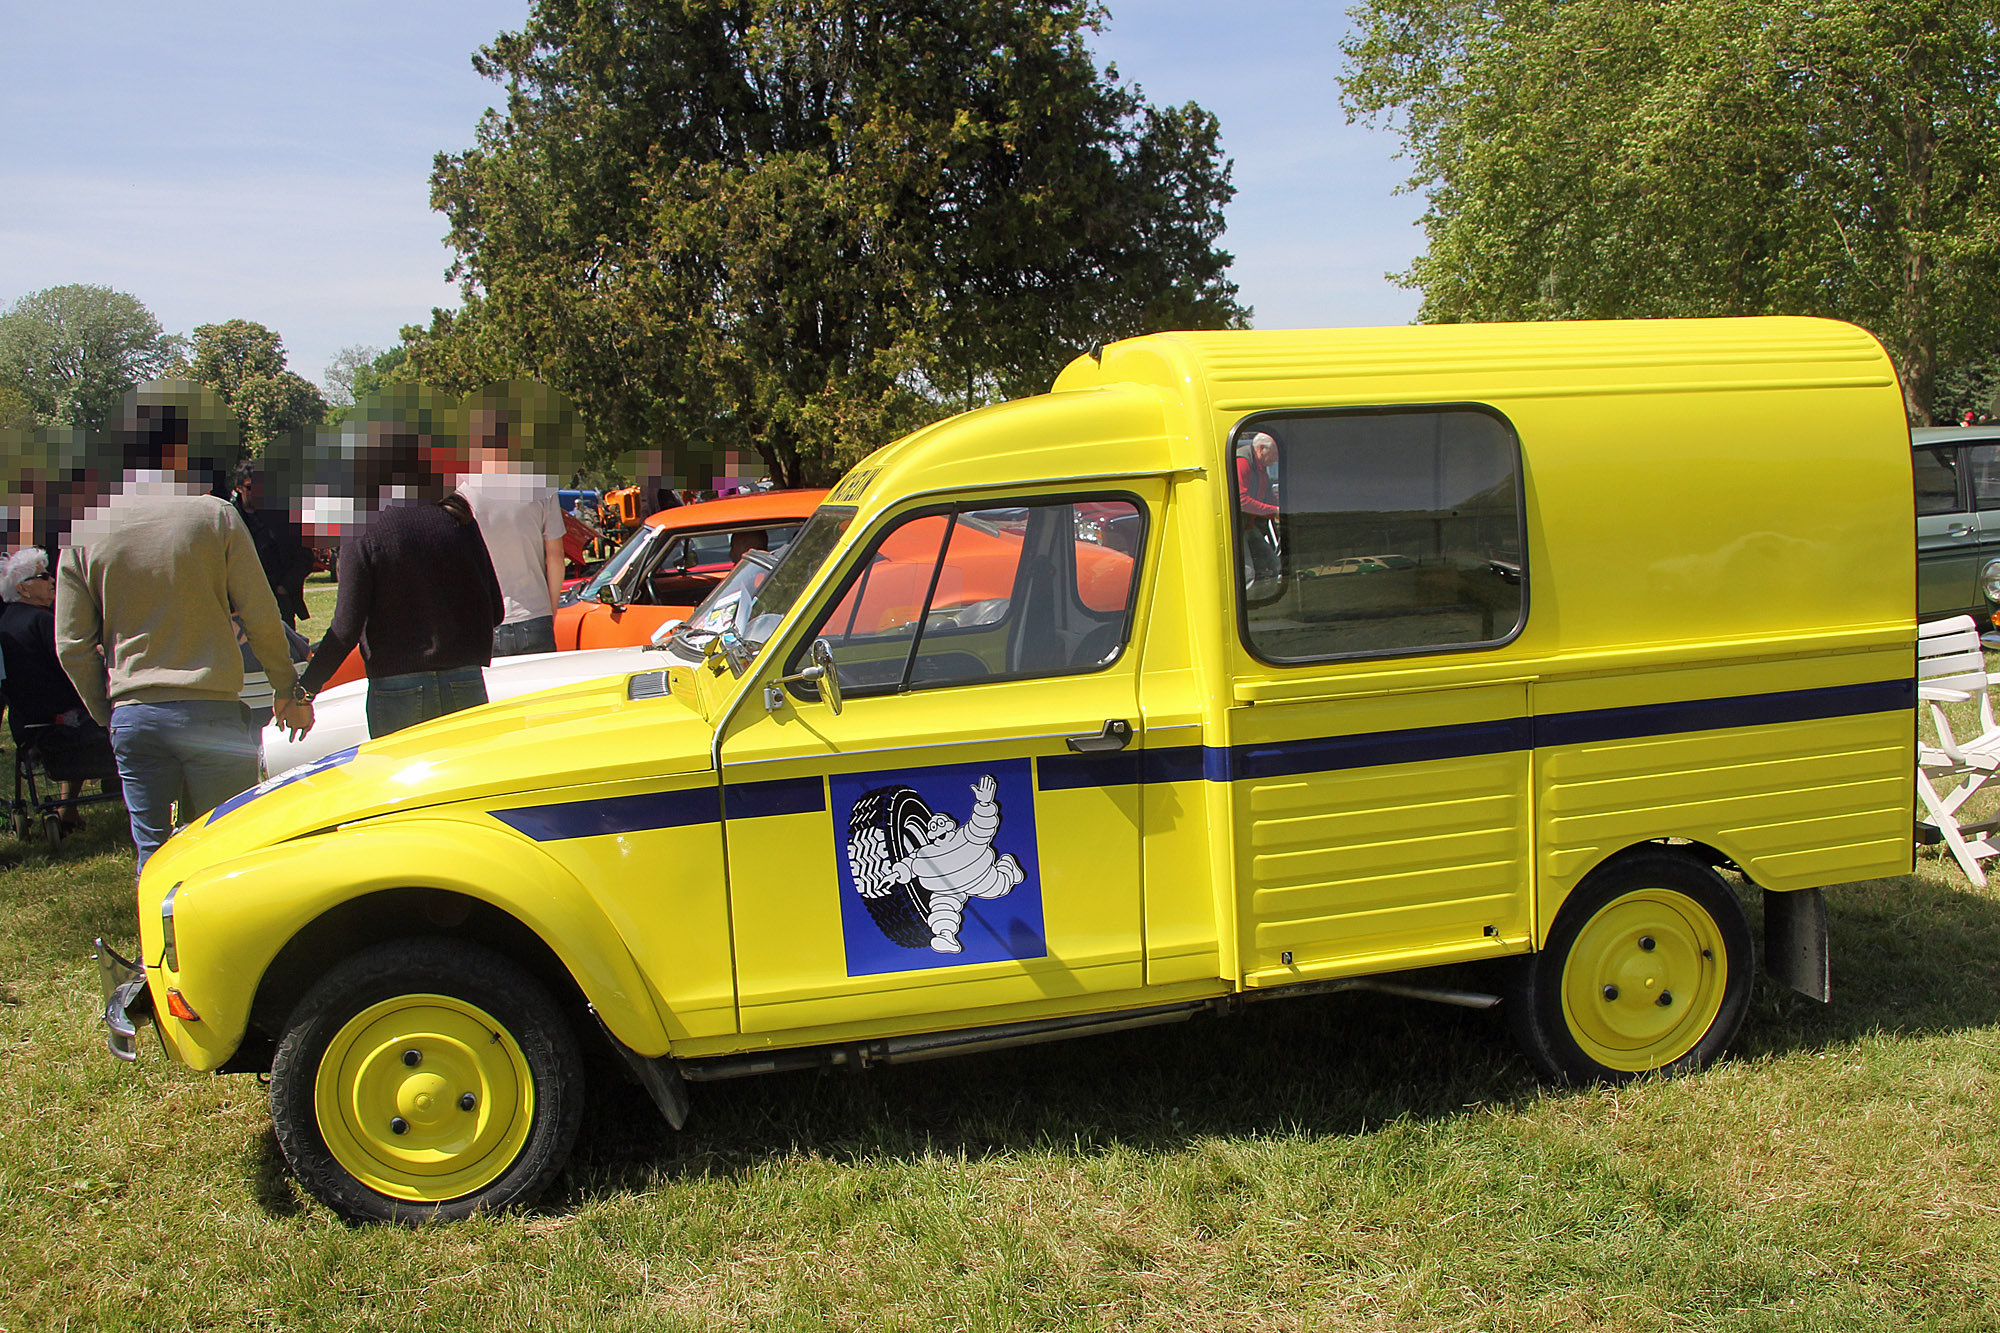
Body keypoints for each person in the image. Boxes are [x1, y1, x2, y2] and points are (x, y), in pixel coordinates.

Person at [54, 410, 310, 871]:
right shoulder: (214, 515)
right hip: (211, 706)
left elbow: (71, 644)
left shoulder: (83, 530)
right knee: (225, 851)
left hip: (135, 712)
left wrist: (107, 709)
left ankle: (159, 944)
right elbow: (260, 615)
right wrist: (287, 688)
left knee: (154, 858)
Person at [295, 435, 505, 739]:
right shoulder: (459, 518)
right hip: (465, 681)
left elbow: (345, 629)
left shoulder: (362, 528)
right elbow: (495, 610)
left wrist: (305, 690)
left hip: (397, 690)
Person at [0, 548, 119, 831]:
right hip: (65, 725)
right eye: (43, 576)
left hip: (26, 724)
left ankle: (68, 811)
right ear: (23, 588)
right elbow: (71, 668)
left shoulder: (7, 622)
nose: (52, 580)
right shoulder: (43, 621)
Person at [455, 407, 563, 657]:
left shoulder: (459, 487)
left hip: (482, 617)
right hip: (535, 615)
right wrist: (550, 611)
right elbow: (555, 557)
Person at [230, 458, 313, 629]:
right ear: (239, 488)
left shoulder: (283, 517)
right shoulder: (228, 519)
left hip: (278, 601)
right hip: (241, 604)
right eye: (250, 487)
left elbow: (304, 556)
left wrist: (284, 587)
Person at [1235, 430, 1282, 588]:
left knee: (1273, 562)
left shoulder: (1261, 467)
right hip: (1237, 526)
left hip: (1249, 525)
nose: (1276, 460)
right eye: (1274, 454)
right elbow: (1242, 501)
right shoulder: (1243, 462)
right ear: (1261, 449)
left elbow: (1267, 494)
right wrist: (1273, 510)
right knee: (1247, 573)